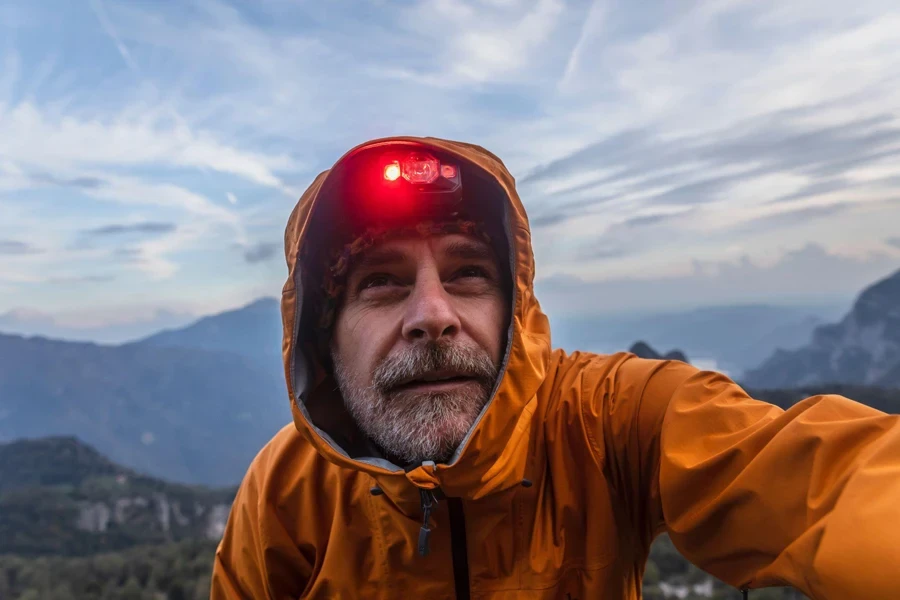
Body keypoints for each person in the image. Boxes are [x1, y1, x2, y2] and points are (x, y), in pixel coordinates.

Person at [210, 136, 900, 599]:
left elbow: (828, 482)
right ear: (324, 334)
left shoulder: (610, 420)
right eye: (382, 282)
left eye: (470, 273)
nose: (433, 314)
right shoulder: (284, 494)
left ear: (515, 308)